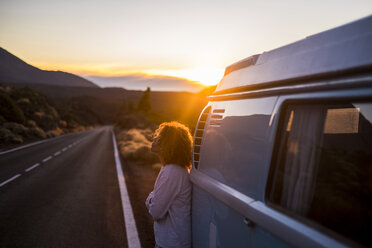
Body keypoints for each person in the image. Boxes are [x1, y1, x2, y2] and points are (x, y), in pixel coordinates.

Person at [145, 121, 193, 248]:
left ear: (167, 144)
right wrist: (154, 197)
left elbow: (155, 211)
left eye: (159, 137)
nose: (154, 138)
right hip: (174, 241)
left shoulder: (171, 172)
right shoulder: (174, 169)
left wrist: (149, 198)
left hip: (171, 243)